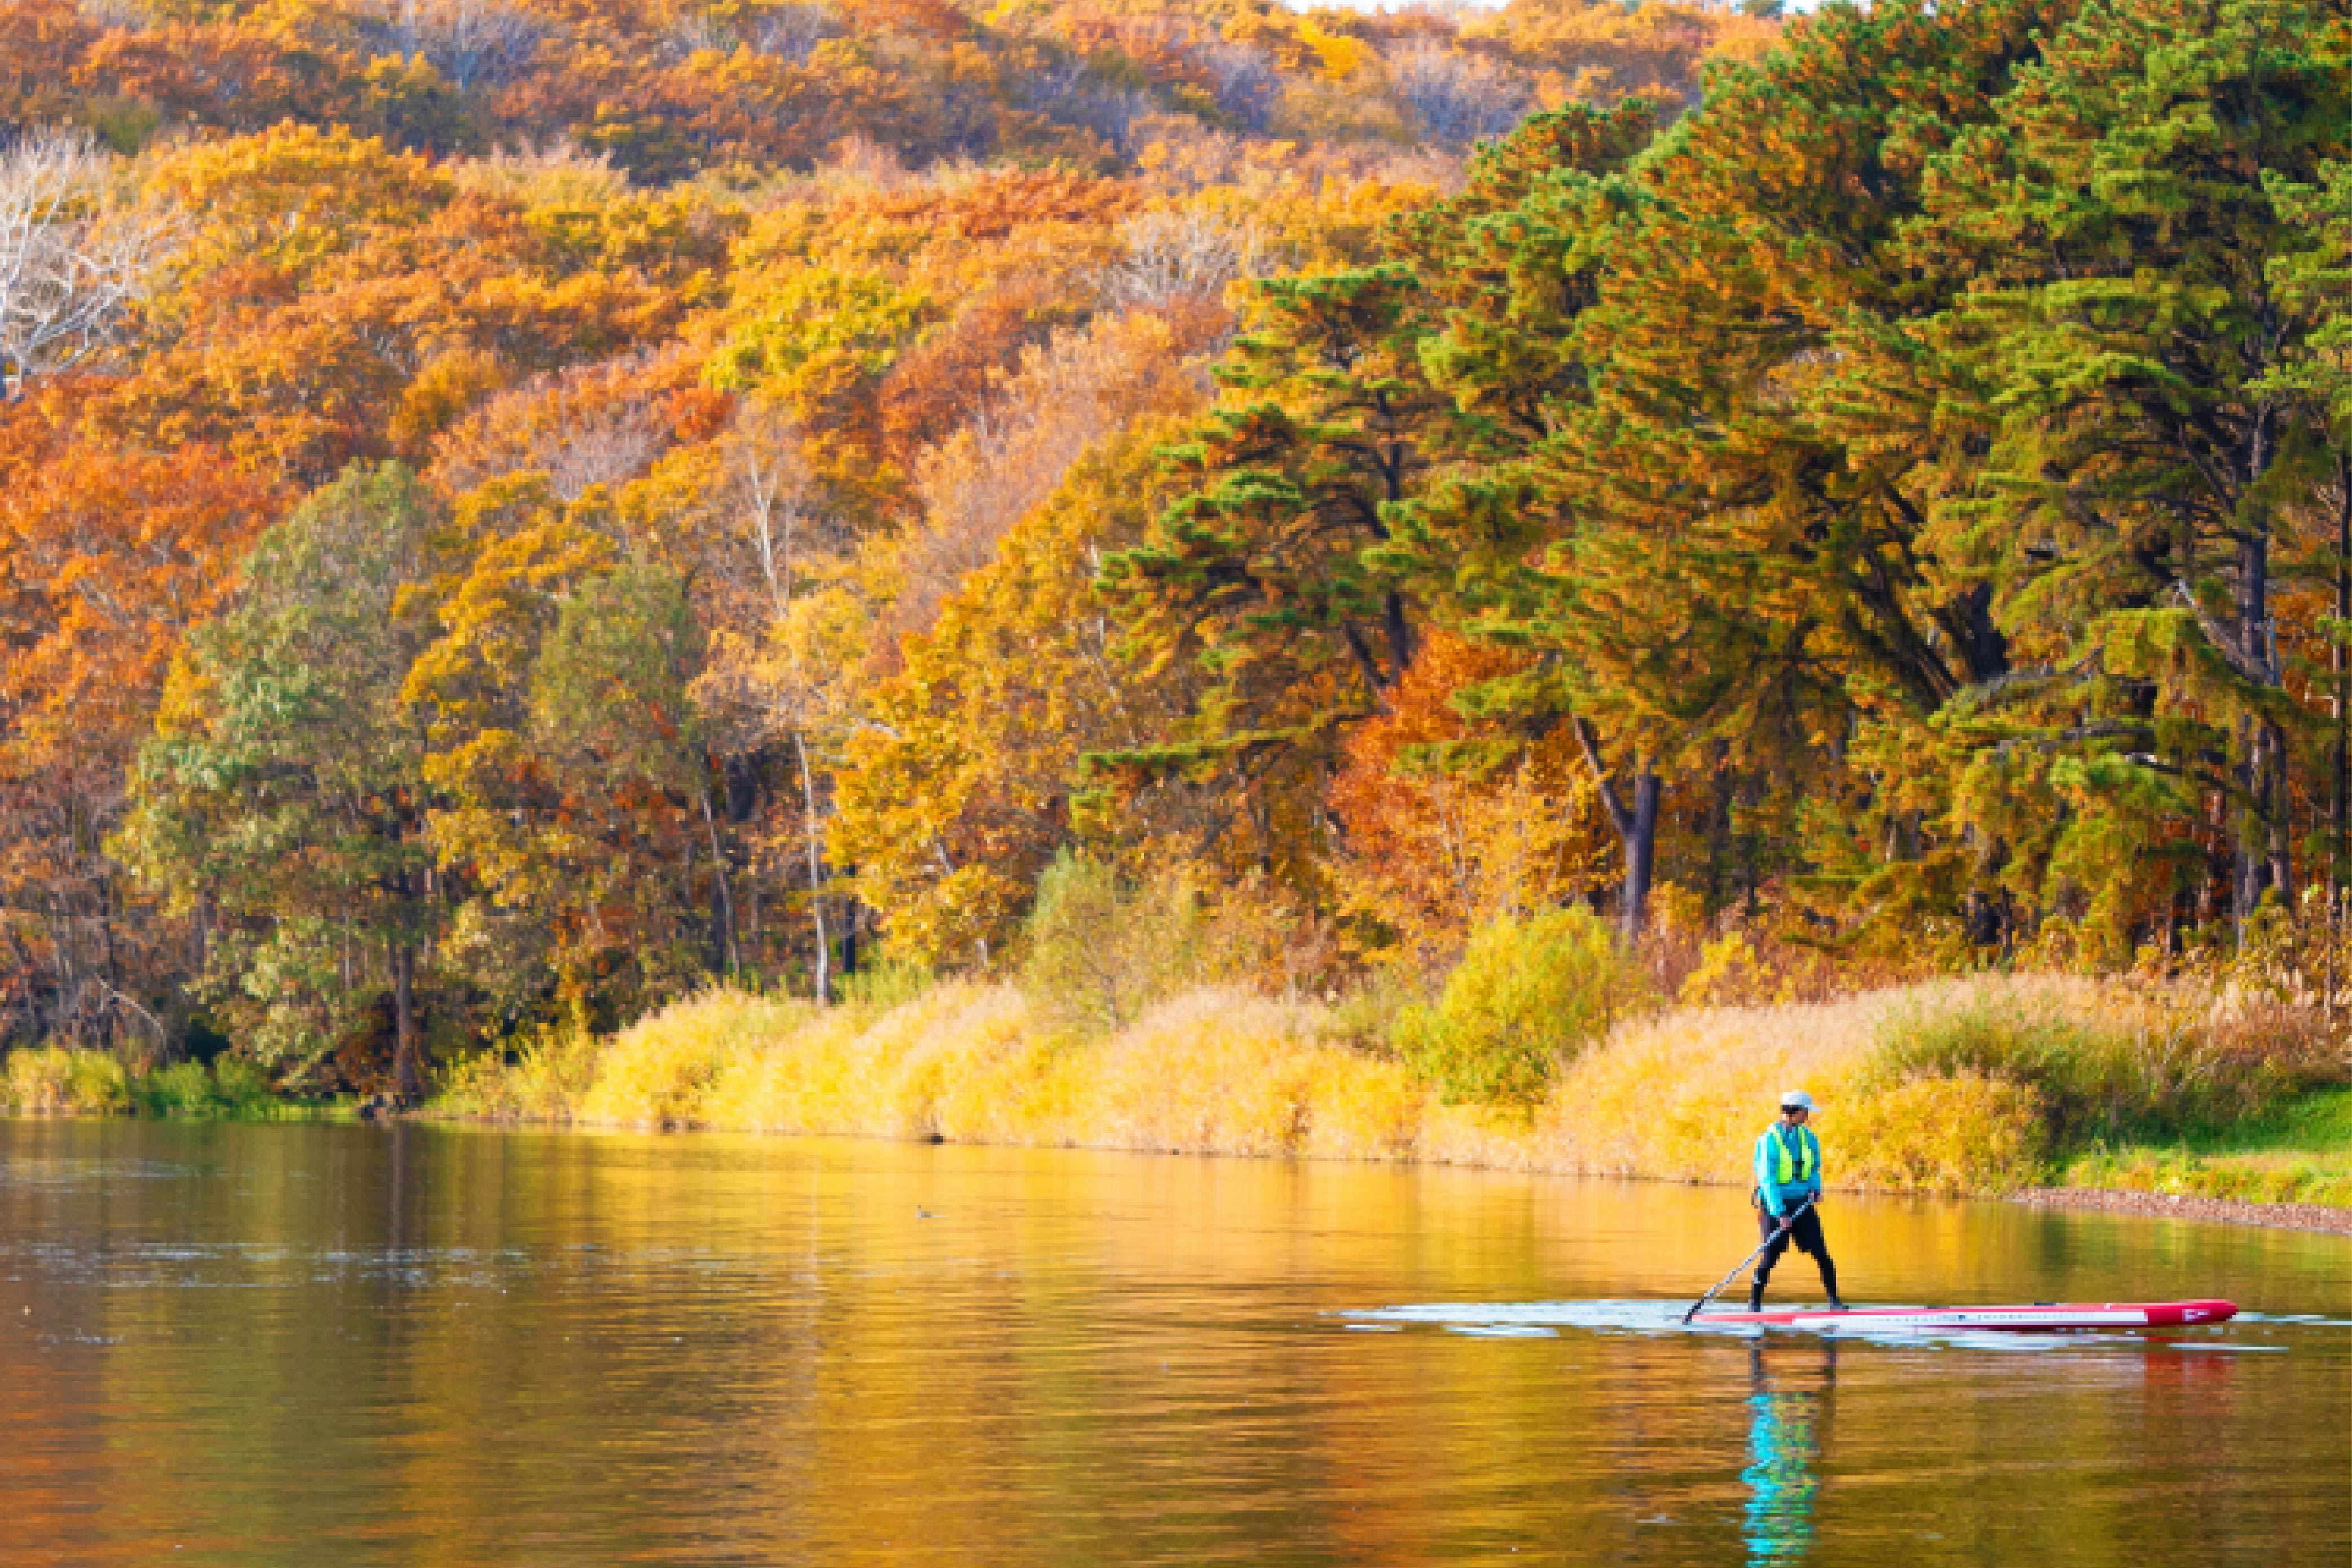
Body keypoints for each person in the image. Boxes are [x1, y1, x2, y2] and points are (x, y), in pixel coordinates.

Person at [1749, 1089, 1845, 1312]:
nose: (1807, 1116)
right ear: (1792, 1112)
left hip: (1803, 1204)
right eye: (1805, 1111)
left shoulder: (1808, 1137)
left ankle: (1835, 1303)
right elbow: (1768, 1180)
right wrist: (1780, 1213)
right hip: (1775, 1206)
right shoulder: (1768, 1141)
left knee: (1822, 1253)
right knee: (1770, 1257)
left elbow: (1813, 1168)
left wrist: (1815, 1189)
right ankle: (1754, 1305)